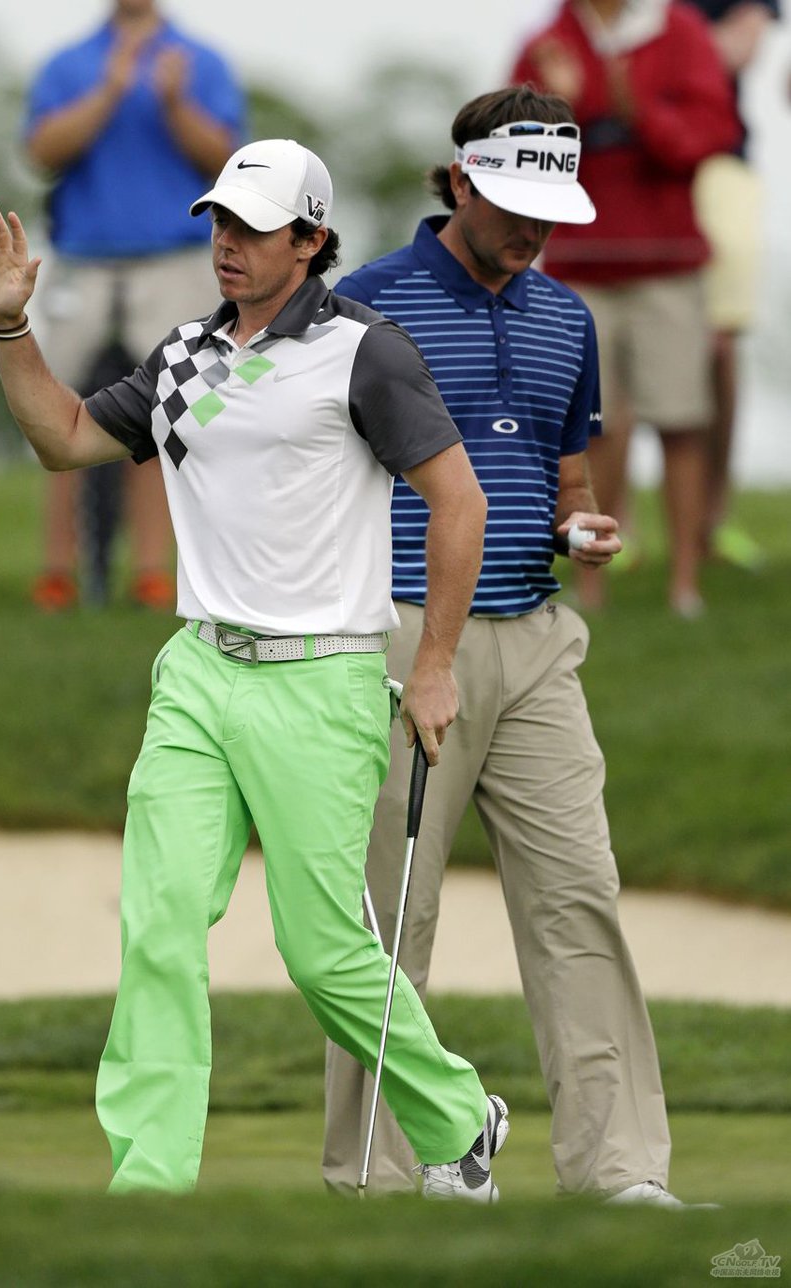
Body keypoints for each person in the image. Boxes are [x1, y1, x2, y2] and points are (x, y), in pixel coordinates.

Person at [0, 138, 511, 1200]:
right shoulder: (184, 355)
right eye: (219, 221)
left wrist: (436, 664)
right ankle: (150, 1184)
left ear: (309, 240)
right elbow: (65, 439)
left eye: (254, 227)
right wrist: (10, 328)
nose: (228, 242)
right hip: (199, 672)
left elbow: (460, 501)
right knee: (159, 923)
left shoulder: (365, 352)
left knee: (322, 952)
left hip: (322, 682)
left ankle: (456, 1115)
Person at [321, 84, 705, 1208]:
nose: (534, 229)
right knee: (393, 914)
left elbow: (563, 475)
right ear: (459, 182)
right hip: (398, 636)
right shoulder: (362, 307)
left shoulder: (566, 319)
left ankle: (619, 1169)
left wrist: (578, 527)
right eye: (514, 206)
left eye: (550, 210)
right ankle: (381, 1176)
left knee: (579, 898)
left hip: (536, 638)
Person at [511, 0, 741, 616]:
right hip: (579, 271)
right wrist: (564, 109)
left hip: (669, 265)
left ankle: (684, 585)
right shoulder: (550, 39)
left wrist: (636, 107)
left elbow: (712, 135)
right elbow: (514, 158)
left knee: (682, 421)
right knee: (593, 429)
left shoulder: (681, 31)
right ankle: (592, 588)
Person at [23, 0, 245, 611]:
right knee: (57, 413)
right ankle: (57, 573)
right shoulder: (69, 63)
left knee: (169, 416)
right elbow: (41, 152)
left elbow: (226, 161)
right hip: (84, 260)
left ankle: (152, 572)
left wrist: (175, 103)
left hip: (174, 261)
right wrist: (110, 90)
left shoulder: (201, 62)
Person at [687, 0, 780, 570]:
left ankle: (712, 519)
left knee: (718, 346)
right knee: (610, 349)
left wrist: (652, 49)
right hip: (632, 173)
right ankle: (607, 519)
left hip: (722, 167)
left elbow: (739, 50)